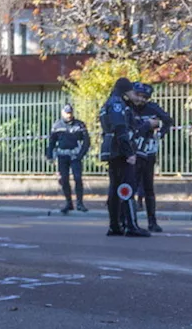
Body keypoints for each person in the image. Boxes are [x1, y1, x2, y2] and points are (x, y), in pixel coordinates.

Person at [99, 78, 157, 237]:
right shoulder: (117, 104)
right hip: (119, 150)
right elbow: (120, 128)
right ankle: (131, 225)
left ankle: (115, 225)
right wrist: (129, 152)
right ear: (125, 91)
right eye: (132, 91)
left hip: (113, 149)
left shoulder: (111, 102)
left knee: (116, 187)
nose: (135, 95)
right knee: (127, 186)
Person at [128, 82, 174, 233]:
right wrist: (146, 125)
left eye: (144, 97)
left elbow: (168, 120)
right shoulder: (128, 109)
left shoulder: (153, 108)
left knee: (148, 187)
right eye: (138, 96)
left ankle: (152, 221)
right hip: (133, 153)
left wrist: (161, 133)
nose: (141, 100)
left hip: (148, 152)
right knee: (131, 186)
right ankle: (131, 220)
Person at [46, 104, 90, 214]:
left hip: (75, 156)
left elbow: (86, 141)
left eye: (70, 113)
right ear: (62, 113)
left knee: (78, 178)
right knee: (64, 180)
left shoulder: (80, 125)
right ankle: (69, 203)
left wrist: (81, 154)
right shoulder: (57, 125)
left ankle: (79, 203)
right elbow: (51, 141)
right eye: (66, 113)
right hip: (62, 156)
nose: (68, 115)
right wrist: (49, 155)